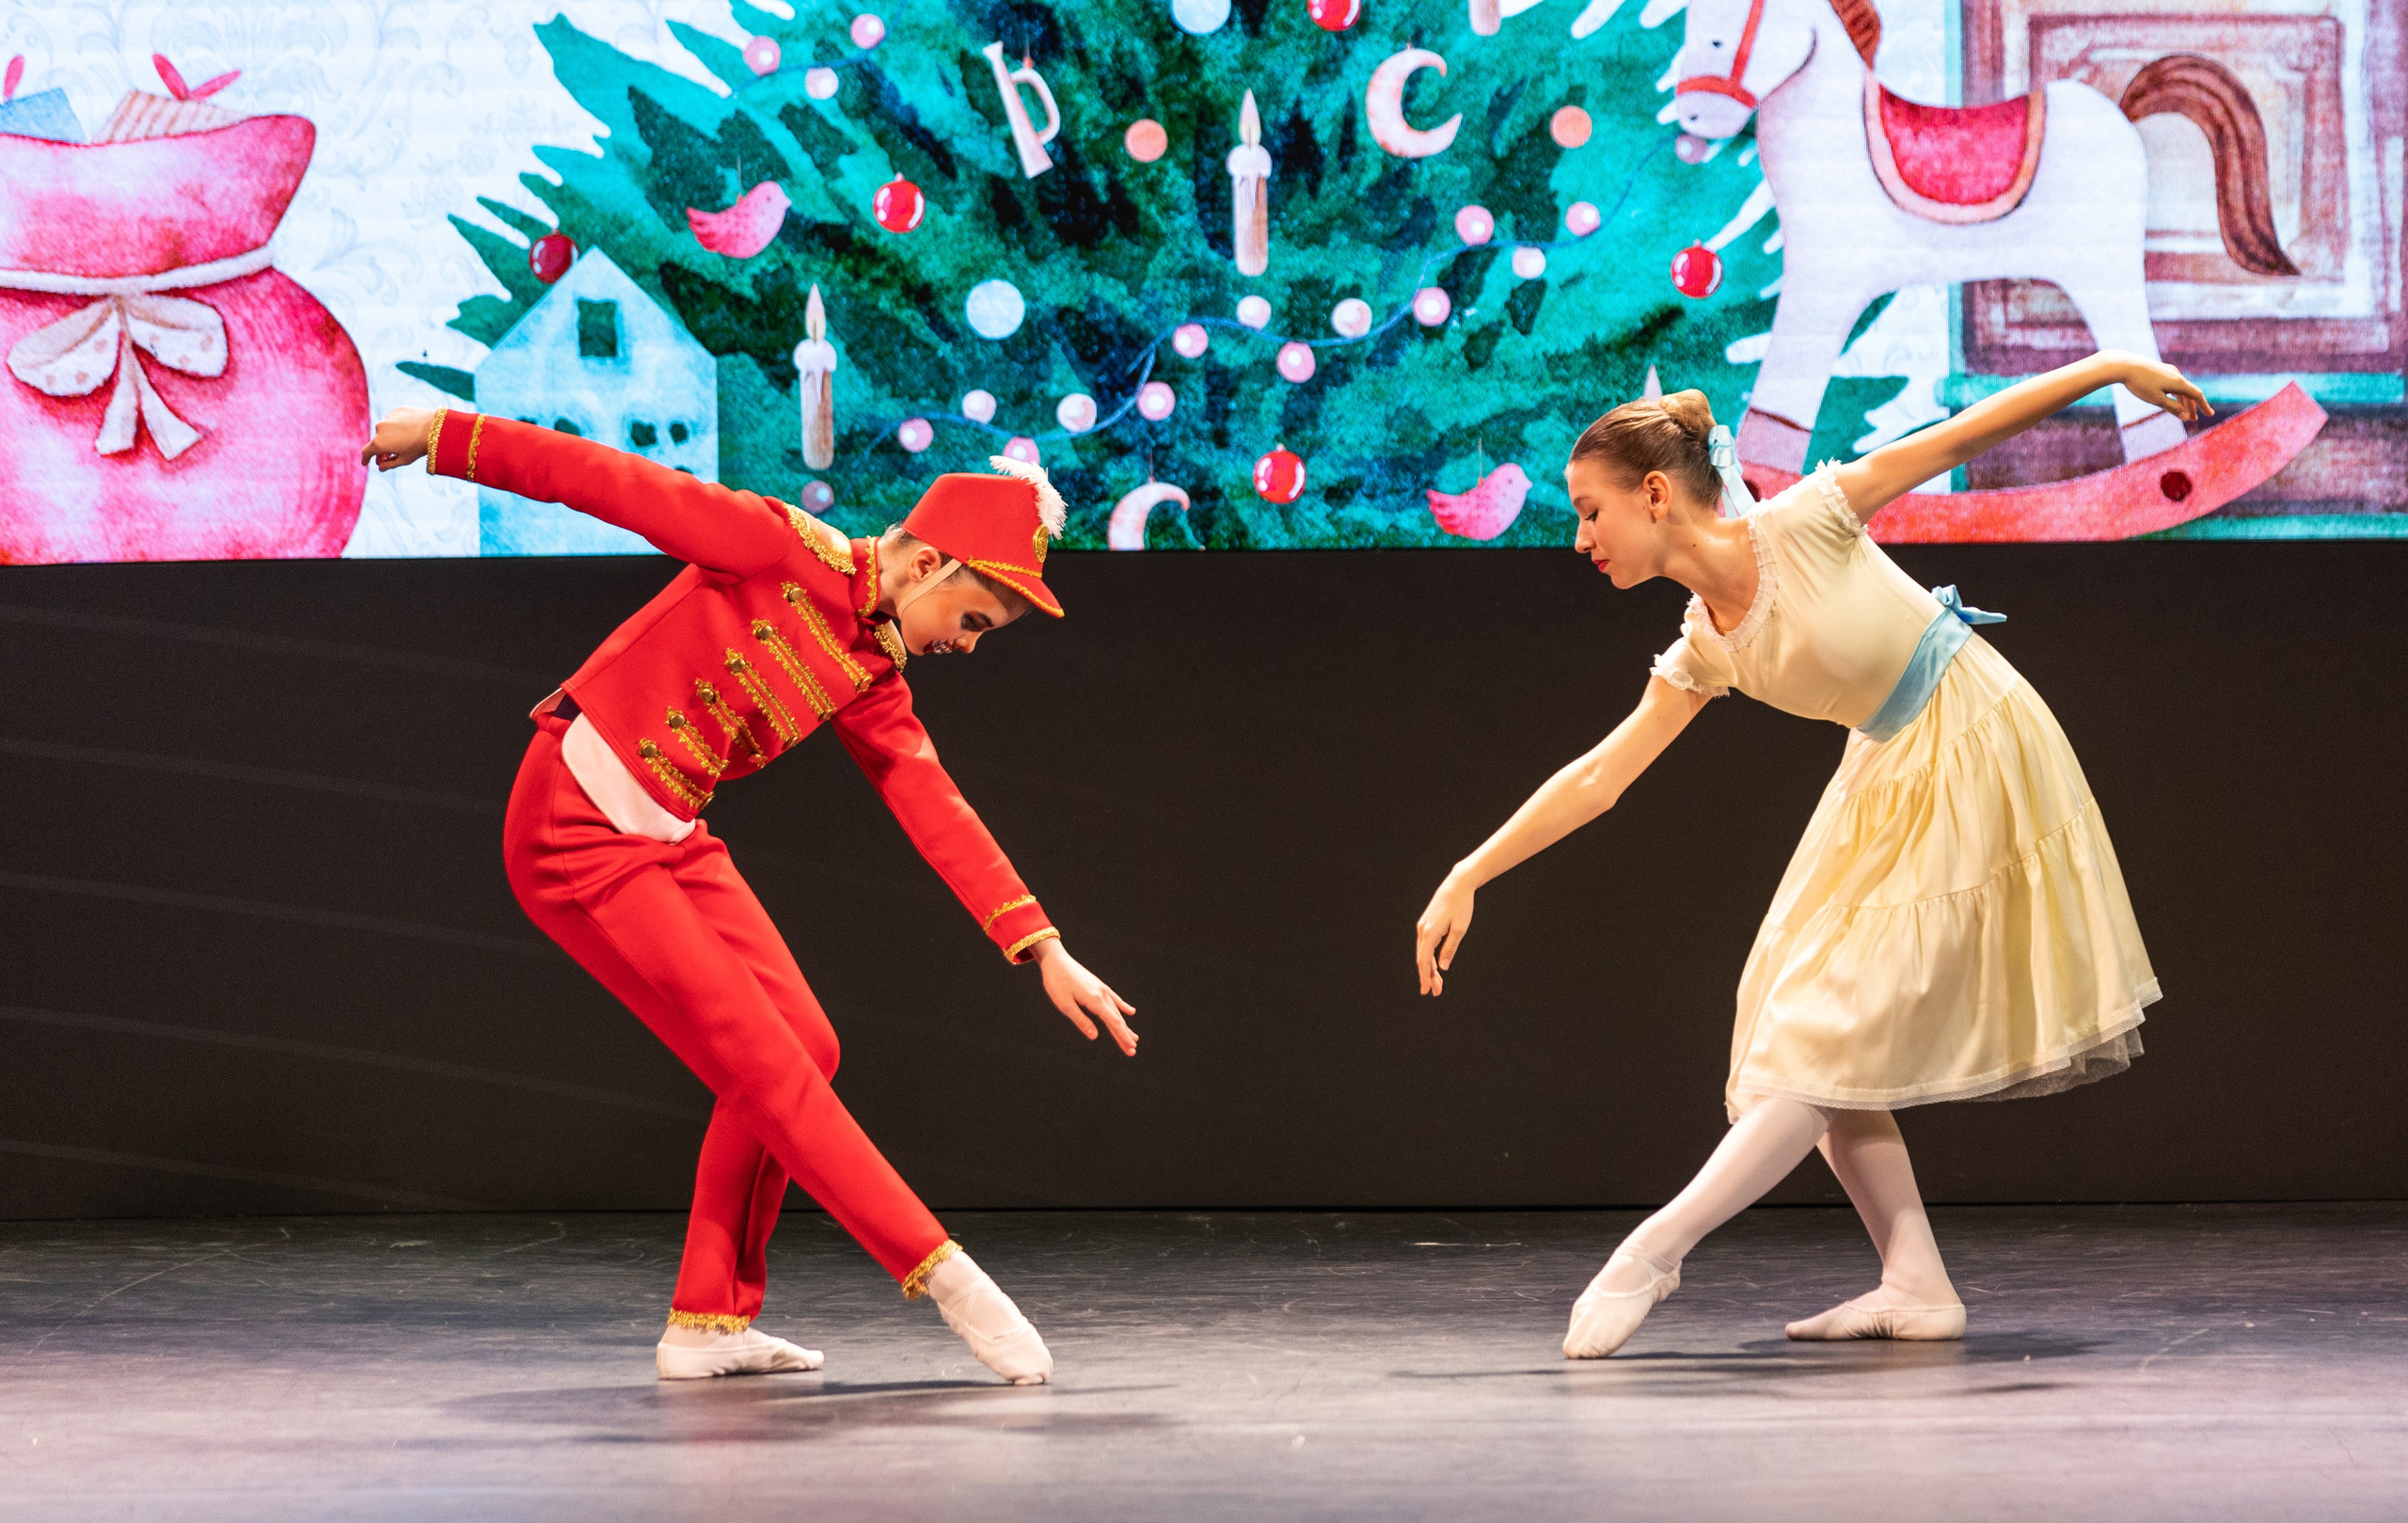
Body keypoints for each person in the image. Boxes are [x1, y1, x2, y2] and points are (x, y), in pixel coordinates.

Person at [1412, 352, 2208, 1356]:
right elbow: (1598, 777)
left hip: (1969, 736)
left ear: (1653, 494)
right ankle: (1914, 1278)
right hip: (1884, 768)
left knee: (1822, 1031)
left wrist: (2107, 368)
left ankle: (1656, 1247)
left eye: (1589, 511)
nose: (1579, 539)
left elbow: (1957, 437)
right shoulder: (1706, 639)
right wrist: (1468, 869)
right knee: (1802, 1019)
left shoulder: (1806, 521)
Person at [362, 407, 1137, 1385]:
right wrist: (449, 433)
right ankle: (944, 1274)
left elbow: (928, 796)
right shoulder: (776, 547)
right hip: (574, 824)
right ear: (932, 565)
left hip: (669, 833)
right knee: (771, 1065)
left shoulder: (869, 664)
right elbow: (613, 481)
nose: (971, 646)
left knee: (807, 1045)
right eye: (975, 620)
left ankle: (709, 1318)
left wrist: (1043, 946)